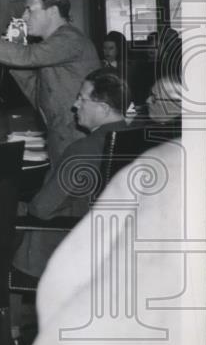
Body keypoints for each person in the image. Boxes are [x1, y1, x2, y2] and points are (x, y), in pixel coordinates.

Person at [0, 140, 206, 345]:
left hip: (62, 265)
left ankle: (7, 330)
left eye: (85, 96)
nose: (77, 104)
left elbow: (61, 268)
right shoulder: (131, 140)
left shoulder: (91, 151)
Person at [0, 0, 99, 165]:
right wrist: (12, 52)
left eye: (30, 9)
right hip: (63, 143)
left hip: (76, 146)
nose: (24, 16)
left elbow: (28, 56)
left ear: (51, 11)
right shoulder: (53, 47)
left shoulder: (69, 38)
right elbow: (37, 95)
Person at [13, 68, 131, 279]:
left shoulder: (83, 149)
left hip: (72, 247)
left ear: (103, 108)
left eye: (82, 99)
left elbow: (41, 209)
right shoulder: (136, 138)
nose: (74, 105)